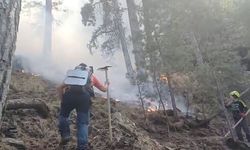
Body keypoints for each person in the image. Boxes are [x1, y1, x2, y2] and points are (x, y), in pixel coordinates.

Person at [57, 63, 108, 150]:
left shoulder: (73, 75)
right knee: (83, 124)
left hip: (69, 96)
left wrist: (63, 101)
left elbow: (59, 88)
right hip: (84, 99)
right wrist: (107, 84)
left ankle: (65, 135)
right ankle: (82, 147)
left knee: (63, 116)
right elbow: (103, 89)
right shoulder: (91, 77)